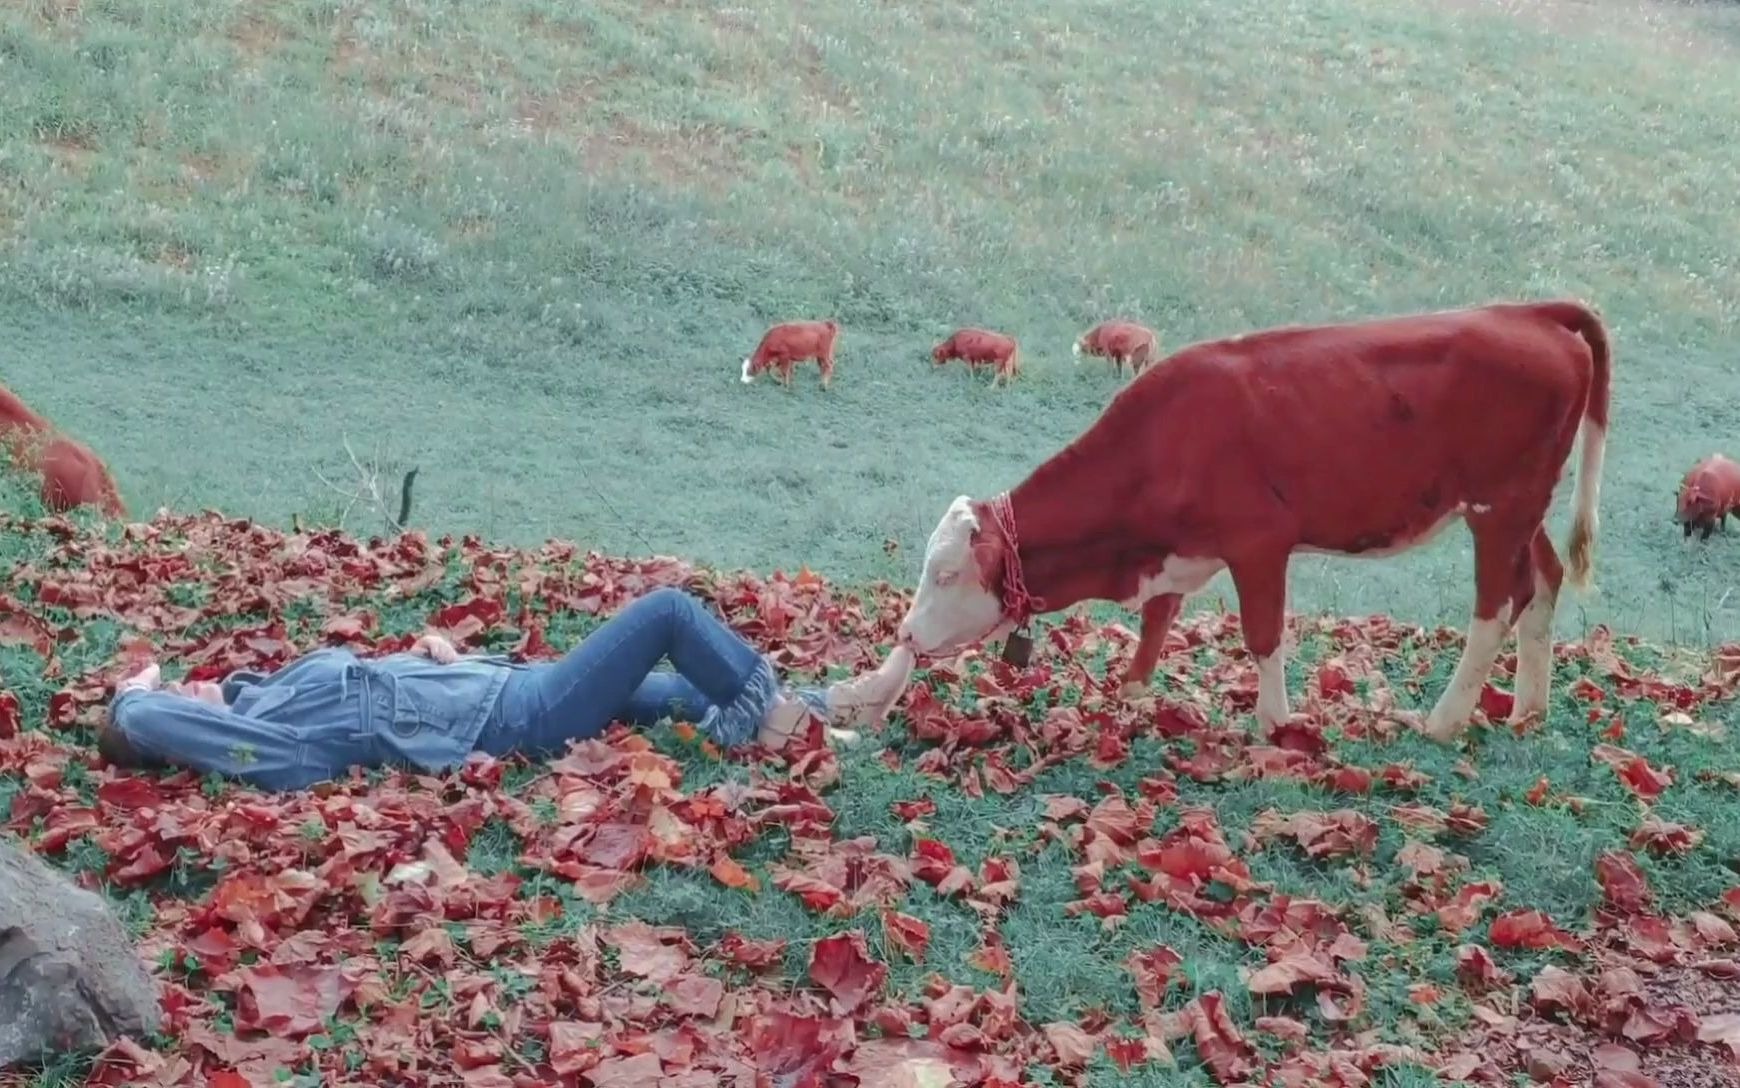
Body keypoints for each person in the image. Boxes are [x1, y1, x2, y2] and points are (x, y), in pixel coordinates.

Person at [100, 587, 905, 790]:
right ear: (173, 727)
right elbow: (157, 719)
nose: (190, 683)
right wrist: (138, 700)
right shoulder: (272, 746)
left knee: (676, 693)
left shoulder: (261, 698)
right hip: (516, 717)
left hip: (496, 685)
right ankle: (780, 718)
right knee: (665, 613)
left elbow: (370, 686)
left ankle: (827, 710)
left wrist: (435, 657)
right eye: (180, 698)